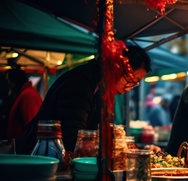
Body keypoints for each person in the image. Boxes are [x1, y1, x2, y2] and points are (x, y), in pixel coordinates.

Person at [19, 44, 151, 154]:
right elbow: (74, 139)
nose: (129, 88)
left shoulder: (101, 88)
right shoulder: (80, 84)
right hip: (42, 158)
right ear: (118, 69)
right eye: (132, 81)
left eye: (135, 84)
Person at [5, 68, 42, 139]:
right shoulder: (27, 93)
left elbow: (31, 125)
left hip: (23, 147)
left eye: (8, 81)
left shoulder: (27, 95)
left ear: (14, 81)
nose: (9, 84)